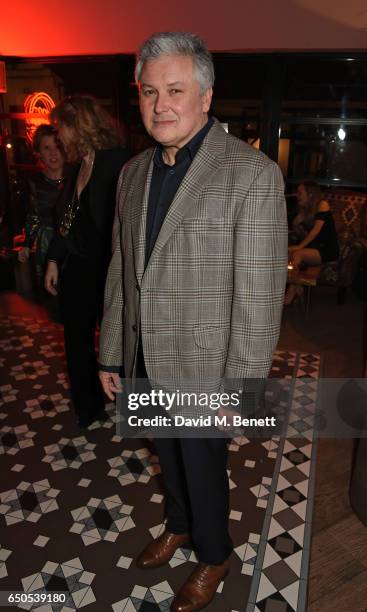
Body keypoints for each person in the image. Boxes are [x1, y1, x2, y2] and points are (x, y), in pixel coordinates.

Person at [98, 32, 287, 612]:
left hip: (207, 361)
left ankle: (213, 555)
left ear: (205, 96)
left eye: (175, 90)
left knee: (203, 467)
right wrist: (110, 351)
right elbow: (119, 271)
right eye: (149, 92)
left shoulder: (250, 174)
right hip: (143, 357)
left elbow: (260, 294)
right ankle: (178, 526)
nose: (160, 105)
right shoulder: (132, 173)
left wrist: (244, 383)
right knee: (167, 455)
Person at [44, 95, 128, 428]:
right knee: (75, 340)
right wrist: (54, 259)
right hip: (78, 266)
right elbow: (68, 217)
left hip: (110, 268)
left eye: (61, 128)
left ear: (78, 126)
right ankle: (87, 405)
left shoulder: (119, 161)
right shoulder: (78, 164)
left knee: (117, 340)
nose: (58, 136)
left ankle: (125, 402)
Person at [18, 124, 66, 282]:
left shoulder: (76, 178)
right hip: (46, 245)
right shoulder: (35, 182)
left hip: (71, 244)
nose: (53, 152)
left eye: (57, 146)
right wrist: (26, 244)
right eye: (46, 148)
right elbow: (34, 216)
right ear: (39, 153)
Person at [285, 181, 339, 305]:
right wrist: (296, 225)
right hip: (313, 248)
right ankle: (297, 288)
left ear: (310, 194)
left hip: (327, 249)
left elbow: (315, 232)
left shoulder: (323, 204)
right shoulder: (305, 211)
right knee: (287, 252)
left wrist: (299, 246)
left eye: (300, 193)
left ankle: (290, 294)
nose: (296, 196)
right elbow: (302, 236)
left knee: (298, 254)